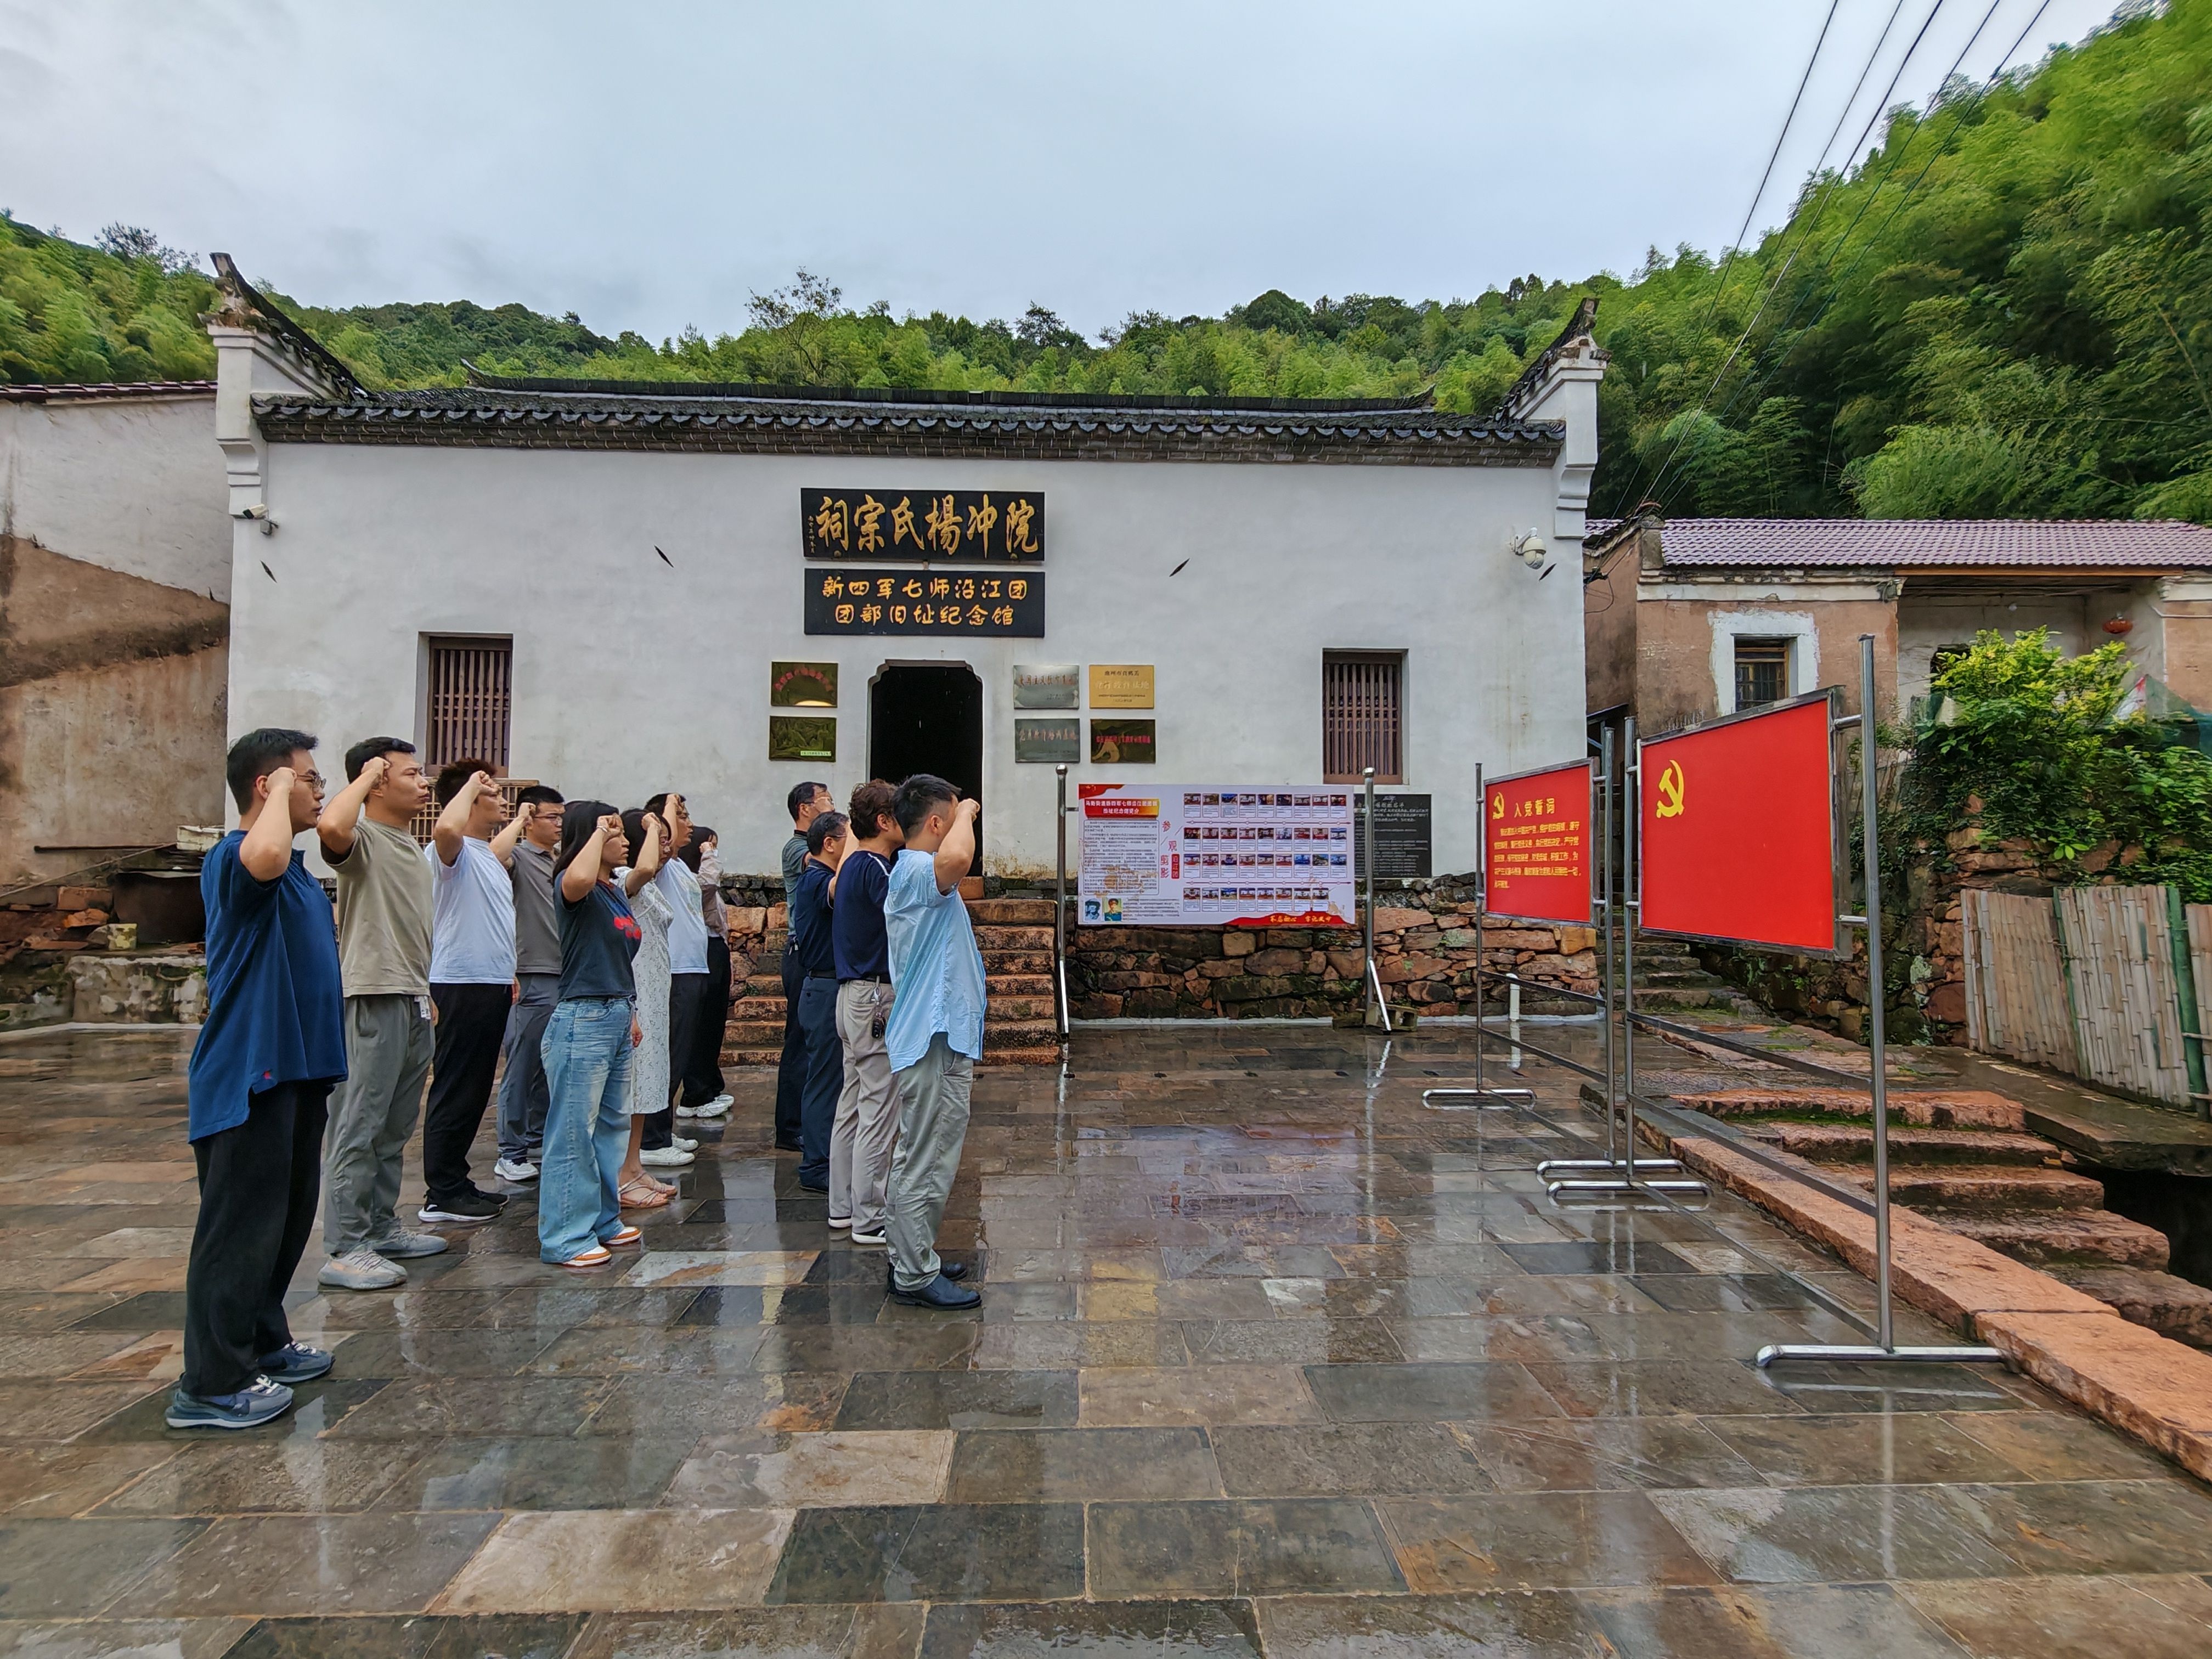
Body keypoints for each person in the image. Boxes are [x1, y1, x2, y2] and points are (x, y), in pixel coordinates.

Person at [170, 729, 346, 1429]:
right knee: (238, 1231)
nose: (320, 789)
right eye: (308, 778)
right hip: (251, 1072)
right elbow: (263, 854)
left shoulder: (295, 870)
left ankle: (264, 1341)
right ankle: (211, 1384)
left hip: (299, 1072)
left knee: (282, 1224)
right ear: (267, 785)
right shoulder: (235, 858)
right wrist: (279, 795)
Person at [315, 737, 446, 1291]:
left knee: (394, 1127)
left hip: (411, 996)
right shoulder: (362, 837)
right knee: (359, 1125)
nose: (424, 783)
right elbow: (329, 827)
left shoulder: (408, 845)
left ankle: (381, 1228)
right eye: (411, 774)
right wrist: (367, 775)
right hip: (372, 995)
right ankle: (345, 1247)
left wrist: (425, 990)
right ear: (376, 782)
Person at [880, 775, 984, 1310]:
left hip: (939, 1034)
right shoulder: (919, 868)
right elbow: (958, 860)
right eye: (952, 815)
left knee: (926, 1151)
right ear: (938, 822)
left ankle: (911, 1253)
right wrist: (968, 812)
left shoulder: (917, 873)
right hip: (931, 1037)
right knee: (926, 1154)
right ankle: (914, 1273)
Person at [537, 802, 646, 1269]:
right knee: (573, 1133)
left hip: (615, 1012)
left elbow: (618, 956)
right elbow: (577, 879)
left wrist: (631, 1010)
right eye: (615, 833)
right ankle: (565, 1236)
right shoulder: (573, 885)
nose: (624, 840)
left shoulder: (613, 891)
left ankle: (603, 1219)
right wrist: (598, 833)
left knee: (610, 1127)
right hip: (583, 1018)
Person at [421, 761, 528, 1222]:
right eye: (492, 793)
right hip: (461, 983)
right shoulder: (449, 850)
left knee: (475, 1088)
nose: (502, 798)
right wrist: (467, 784)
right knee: (456, 1087)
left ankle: (457, 1181)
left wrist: (522, 819)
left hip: (490, 982)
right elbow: (447, 825)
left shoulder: (485, 853)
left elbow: (502, 847)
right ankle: (442, 1192)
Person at [828, 780, 904, 1243]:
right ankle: (870, 1215)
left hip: (850, 995)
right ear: (883, 822)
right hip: (875, 995)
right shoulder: (877, 870)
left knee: (852, 1104)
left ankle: (843, 1207)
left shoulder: (854, 863)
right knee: (879, 1106)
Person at [615, 806, 687, 1206]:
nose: (665, 847)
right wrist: (651, 824)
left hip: (656, 989)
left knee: (649, 1081)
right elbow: (643, 867)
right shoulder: (623, 879)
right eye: (657, 841)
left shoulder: (652, 882)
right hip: (638, 988)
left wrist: (659, 830)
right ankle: (622, 1172)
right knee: (635, 1081)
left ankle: (634, 1165)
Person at [495, 785, 565, 1183]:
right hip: (532, 972)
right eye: (551, 817)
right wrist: (518, 820)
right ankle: (511, 1149)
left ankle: (536, 1137)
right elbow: (492, 857)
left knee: (548, 1065)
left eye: (561, 817)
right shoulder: (518, 858)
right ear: (531, 819)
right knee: (522, 1065)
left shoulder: (558, 861)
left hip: (562, 972)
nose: (559, 824)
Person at [642, 791, 714, 1158]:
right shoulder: (662, 863)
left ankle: (663, 1131)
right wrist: (669, 806)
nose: (689, 824)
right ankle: (650, 1139)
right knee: (667, 1056)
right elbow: (664, 844)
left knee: (679, 1055)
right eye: (683, 816)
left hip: (692, 968)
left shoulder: (681, 867)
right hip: (675, 969)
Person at [788, 809, 848, 1193]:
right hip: (823, 990)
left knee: (835, 1079)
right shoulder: (816, 879)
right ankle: (816, 1165)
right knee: (825, 1081)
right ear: (829, 844)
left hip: (828, 989)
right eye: (849, 838)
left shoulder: (819, 876)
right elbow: (839, 890)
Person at [774, 781, 833, 1152]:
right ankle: (789, 1127)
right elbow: (820, 861)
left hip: (815, 953)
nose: (831, 806)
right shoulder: (798, 848)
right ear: (805, 809)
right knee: (798, 1041)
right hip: (801, 954)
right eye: (825, 800)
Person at [676, 823, 734, 1122]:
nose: (712, 851)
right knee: (701, 1025)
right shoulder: (688, 880)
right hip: (703, 950)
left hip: (715, 947)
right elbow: (706, 887)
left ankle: (710, 1086)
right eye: (707, 846)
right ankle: (694, 1095)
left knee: (714, 1023)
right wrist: (709, 856)